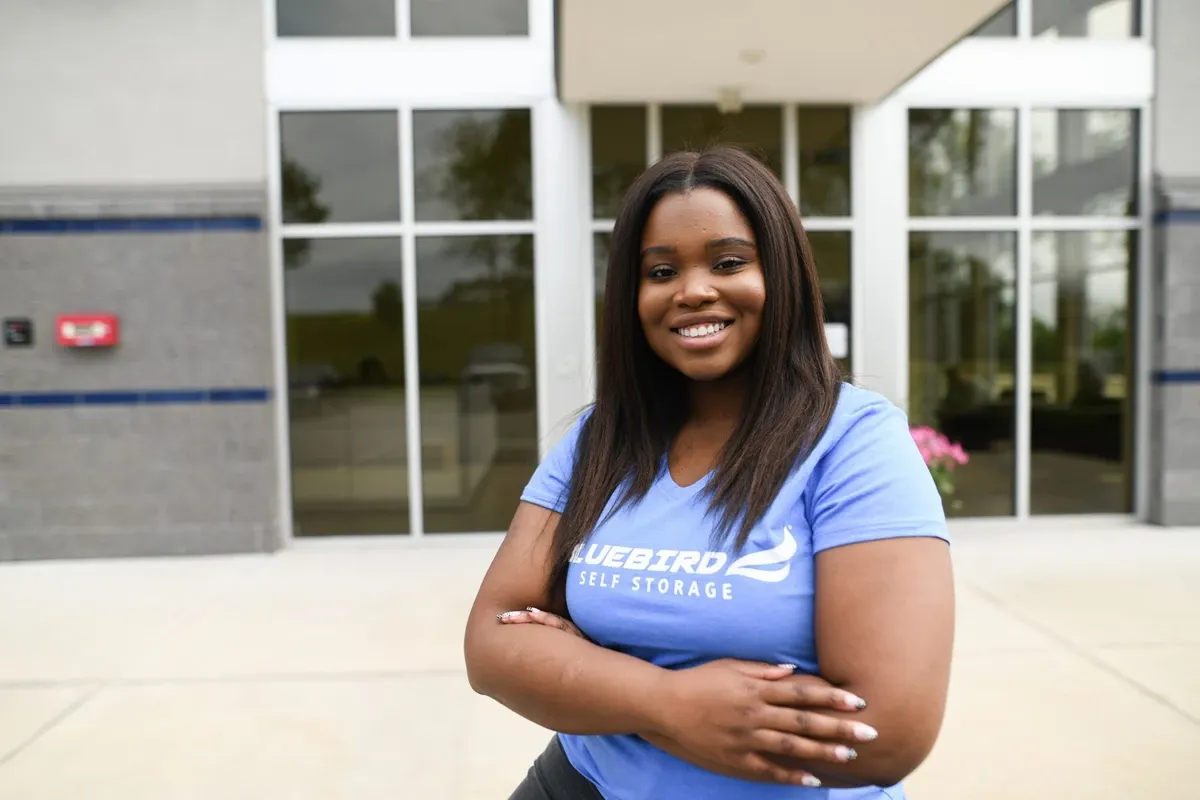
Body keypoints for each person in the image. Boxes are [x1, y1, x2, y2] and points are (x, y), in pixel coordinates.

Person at [463, 146, 955, 799]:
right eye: (661, 270)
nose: (693, 290)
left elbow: (884, 733)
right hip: (579, 785)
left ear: (780, 274)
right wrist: (669, 700)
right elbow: (491, 648)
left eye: (728, 262)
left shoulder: (854, 444)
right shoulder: (599, 439)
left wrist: (588, 674)